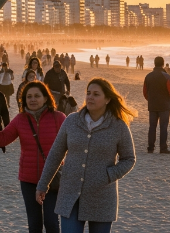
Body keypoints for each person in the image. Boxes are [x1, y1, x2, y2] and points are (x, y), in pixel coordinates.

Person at [36, 78, 137, 233]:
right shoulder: (72, 121)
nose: (90, 97)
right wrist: (43, 184)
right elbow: (55, 154)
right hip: (69, 195)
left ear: (107, 99)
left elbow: (129, 159)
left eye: (96, 94)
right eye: (88, 93)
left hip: (102, 196)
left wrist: (108, 175)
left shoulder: (118, 126)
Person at [0, 81, 65, 232]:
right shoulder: (20, 119)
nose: (32, 99)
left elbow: (71, 143)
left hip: (52, 179)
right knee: (34, 224)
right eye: (29, 96)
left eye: (37, 96)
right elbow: (1, 139)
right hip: (28, 180)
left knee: (51, 222)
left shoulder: (58, 118)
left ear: (46, 98)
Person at [143, 56, 170, 154]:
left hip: (152, 105)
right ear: (162, 64)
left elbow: (145, 92)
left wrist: (150, 99)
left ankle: (150, 148)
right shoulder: (166, 76)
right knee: (163, 127)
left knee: (152, 126)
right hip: (164, 105)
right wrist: (169, 99)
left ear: (154, 63)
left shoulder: (148, 76)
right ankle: (163, 148)